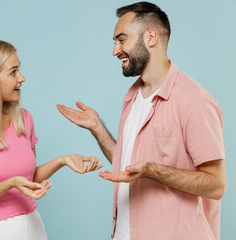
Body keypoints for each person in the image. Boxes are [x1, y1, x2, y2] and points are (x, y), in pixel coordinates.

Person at [57, 2, 226, 240]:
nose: (115, 50)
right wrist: (97, 127)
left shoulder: (194, 101)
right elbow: (129, 165)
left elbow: (216, 185)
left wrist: (152, 171)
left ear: (150, 37)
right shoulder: (132, 97)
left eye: (121, 39)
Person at [0, 39, 103, 240]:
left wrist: (62, 161)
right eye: (13, 72)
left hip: (33, 227)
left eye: (19, 70)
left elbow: (28, 180)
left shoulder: (23, 120)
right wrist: (9, 184)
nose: (22, 78)